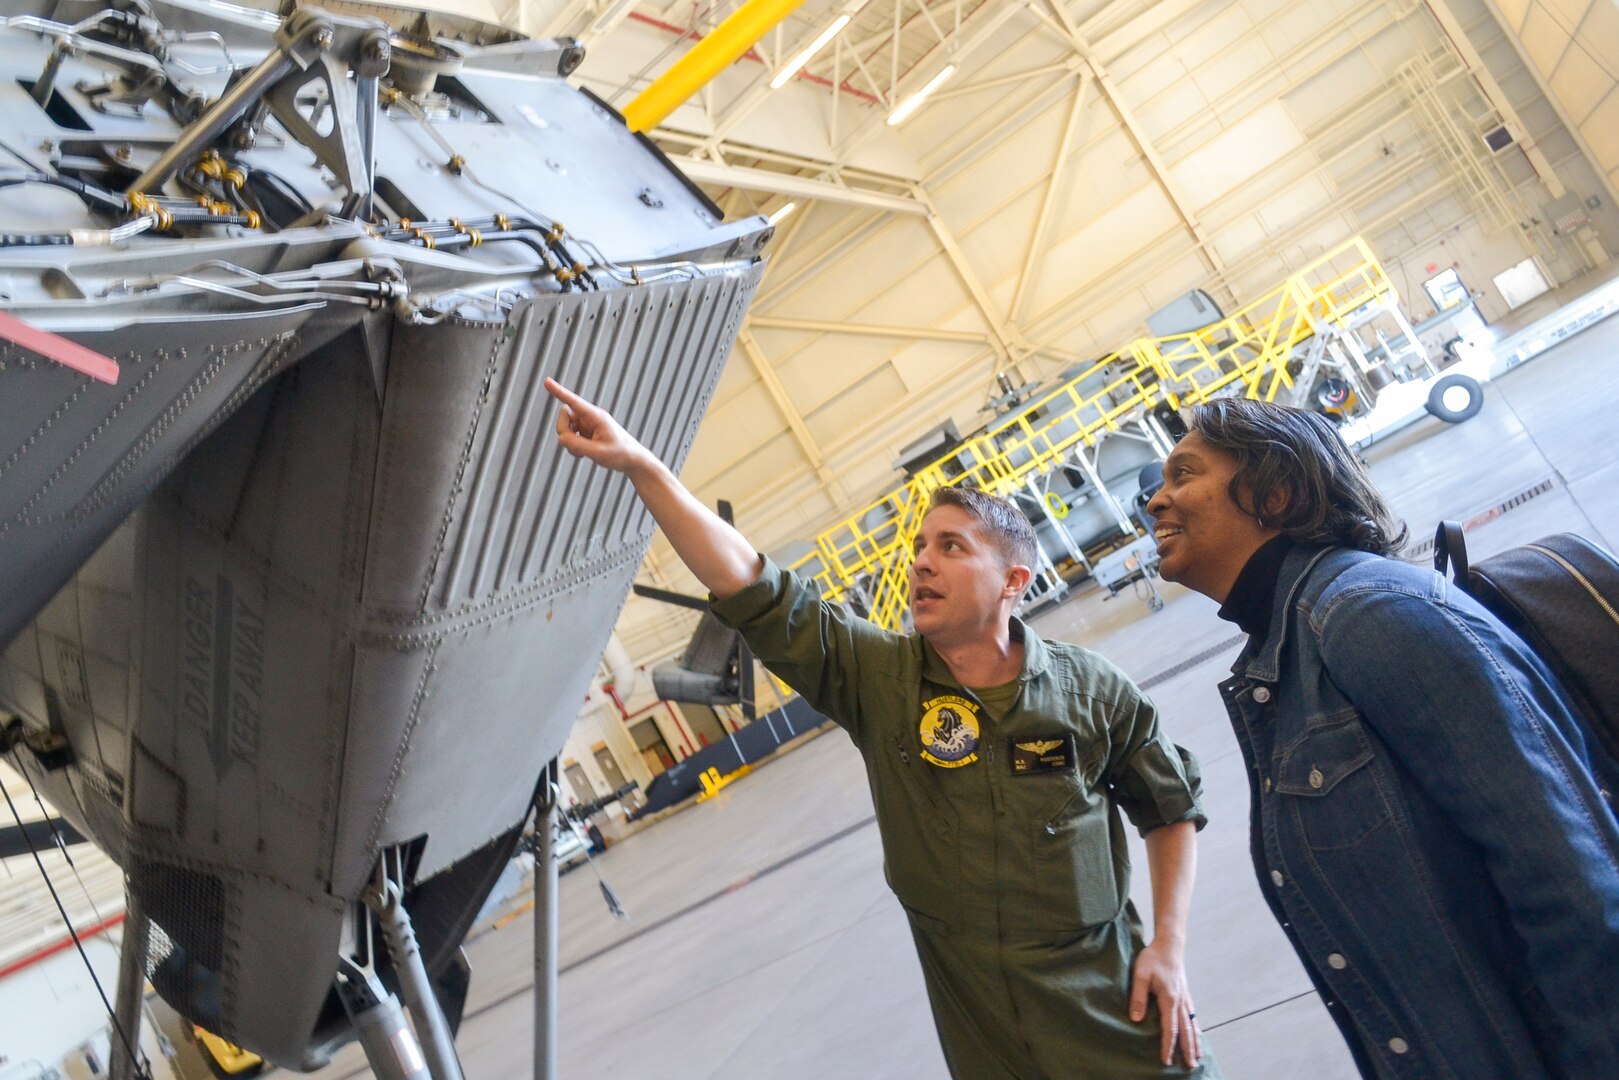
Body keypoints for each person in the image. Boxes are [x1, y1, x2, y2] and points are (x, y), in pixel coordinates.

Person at [546, 378, 1219, 1079]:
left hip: (1109, 1008)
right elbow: (754, 587)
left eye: (952, 547)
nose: (921, 560)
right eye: (922, 545)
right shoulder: (879, 680)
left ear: (1012, 582)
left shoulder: (1089, 691)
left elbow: (1168, 805)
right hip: (983, 1031)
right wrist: (643, 470)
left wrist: (1166, 947)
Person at [1144, 397, 1619, 1080]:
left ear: (1274, 493)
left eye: (1182, 475)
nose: (1157, 501)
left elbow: (1574, 886)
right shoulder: (1289, 649)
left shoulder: (1366, 616)